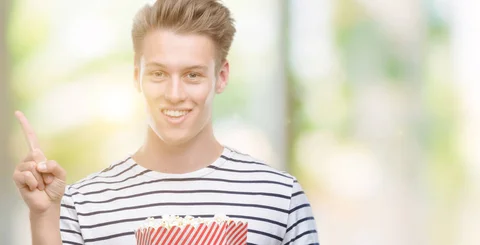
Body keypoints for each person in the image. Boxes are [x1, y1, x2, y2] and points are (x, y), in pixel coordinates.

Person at [11, 0, 319, 244]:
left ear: (221, 77)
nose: (174, 94)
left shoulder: (280, 197)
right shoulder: (83, 204)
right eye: (158, 73)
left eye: (192, 75)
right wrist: (44, 217)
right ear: (137, 76)